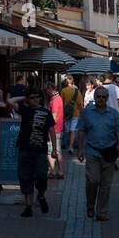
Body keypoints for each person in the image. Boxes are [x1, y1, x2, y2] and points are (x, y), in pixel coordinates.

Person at [76, 86, 119, 222]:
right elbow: (81, 130)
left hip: (109, 152)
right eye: (98, 97)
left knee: (105, 184)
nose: (101, 99)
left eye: (104, 97)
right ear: (94, 97)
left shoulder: (114, 114)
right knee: (93, 180)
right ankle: (90, 204)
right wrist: (80, 149)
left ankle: (102, 212)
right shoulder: (87, 112)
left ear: (107, 98)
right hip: (92, 151)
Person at [10, 87, 56, 218]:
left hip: (40, 149)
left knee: (42, 175)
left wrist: (54, 148)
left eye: (37, 97)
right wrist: (24, 98)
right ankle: (28, 206)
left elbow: (51, 130)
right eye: (33, 97)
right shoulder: (25, 110)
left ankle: (40, 195)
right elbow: (9, 101)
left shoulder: (45, 112)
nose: (36, 99)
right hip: (25, 148)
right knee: (26, 176)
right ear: (28, 100)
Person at [44, 81, 64, 178]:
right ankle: (57, 171)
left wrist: (48, 129)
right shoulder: (55, 98)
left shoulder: (55, 99)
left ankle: (55, 171)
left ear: (50, 88)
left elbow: (54, 116)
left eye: (46, 89)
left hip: (55, 129)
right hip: (57, 128)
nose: (45, 91)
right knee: (56, 150)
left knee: (52, 150)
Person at [60, 75, 83, 154]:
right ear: (73, 81)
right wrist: (83, 113)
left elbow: (61, 103)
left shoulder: (63, 91)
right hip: (75, 113)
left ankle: (68, 145)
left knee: (67, 130)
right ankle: (71, 146)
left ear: (66, 82)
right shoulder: (77, 91)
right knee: (73, 130)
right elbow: (80, 104)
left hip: (66, 113)